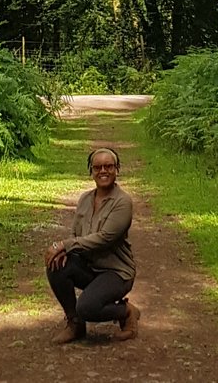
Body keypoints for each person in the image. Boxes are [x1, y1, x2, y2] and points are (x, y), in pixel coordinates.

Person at [44, 147, 139, 343]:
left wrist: (66, 245)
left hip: (116, 272)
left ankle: (127, 311)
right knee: (56, 263)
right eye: (97, 167)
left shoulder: (122, 202)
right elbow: (75, 232)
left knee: (87, 307)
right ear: (91, 171)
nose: (103, 171)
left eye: (108, 166)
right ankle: (75, 324)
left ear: (117, 169)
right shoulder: (85, 199)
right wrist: (64, 251)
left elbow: (105, 238)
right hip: (90, 266)